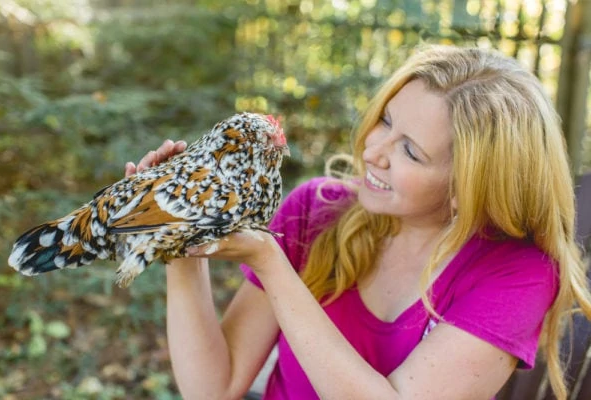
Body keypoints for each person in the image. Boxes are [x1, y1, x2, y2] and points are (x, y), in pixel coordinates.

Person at [125, 45, 591, 400]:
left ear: (468, 186)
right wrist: (179, 245)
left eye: (410, 150)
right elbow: (215, 386)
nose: (373, 152)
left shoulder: (516, 274)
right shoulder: (315, 211)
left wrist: (270, 263)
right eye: (386, 121)